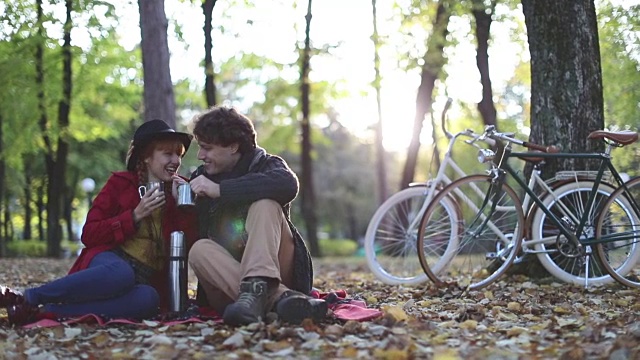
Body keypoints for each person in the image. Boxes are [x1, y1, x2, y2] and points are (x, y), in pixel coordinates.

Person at [0, 119, 197, 326]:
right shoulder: (120, 184)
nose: (176, 160)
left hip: (143, 280)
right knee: (123, 273)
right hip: (110, 263)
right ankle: (29, 297)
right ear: (146, 156)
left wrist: (182, 207)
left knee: (149, 299)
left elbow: (189, 247)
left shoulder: (179, 193)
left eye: (179, 154)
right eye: (168, 154)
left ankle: (46, 312)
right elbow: (89, 234)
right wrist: (134, 216)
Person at [186, 106, 327, 326]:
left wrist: (220, 190)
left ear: (233, 146)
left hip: (280, 269)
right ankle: (283, 300)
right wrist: (182, 199)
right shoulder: (200, 177)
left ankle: (259, 294)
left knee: (265, 204)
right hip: (228, 283)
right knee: (199, 249)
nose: (200, 155)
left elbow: (287, 184)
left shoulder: (266, 164)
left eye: (207, 148)